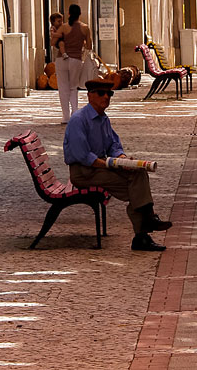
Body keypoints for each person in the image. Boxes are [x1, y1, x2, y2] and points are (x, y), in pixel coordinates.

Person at [64, 77, 172, 251]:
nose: (106, 97)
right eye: (101, 93)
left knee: (139, 173)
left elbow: (113, 145)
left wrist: (122, 158)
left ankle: (145, 227)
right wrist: (111, 165)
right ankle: (145, 227)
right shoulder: (79, 120)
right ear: (90, 96)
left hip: (99, 167)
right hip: (84, 172)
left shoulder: (103, 119)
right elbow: (84, 156)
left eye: (109, 94)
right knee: (136, 188)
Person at [53, 4, 92, 123]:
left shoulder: (64, 27)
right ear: (79, 14)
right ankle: (75, 112)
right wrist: (81, 43)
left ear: (69, 14)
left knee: (63, 87)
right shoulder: (85, 28)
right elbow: (89, 46)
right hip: (76, 59)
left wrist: (60, 40)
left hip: (61, 60)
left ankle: (65, 116)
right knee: (73, 87)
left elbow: (53, 42)